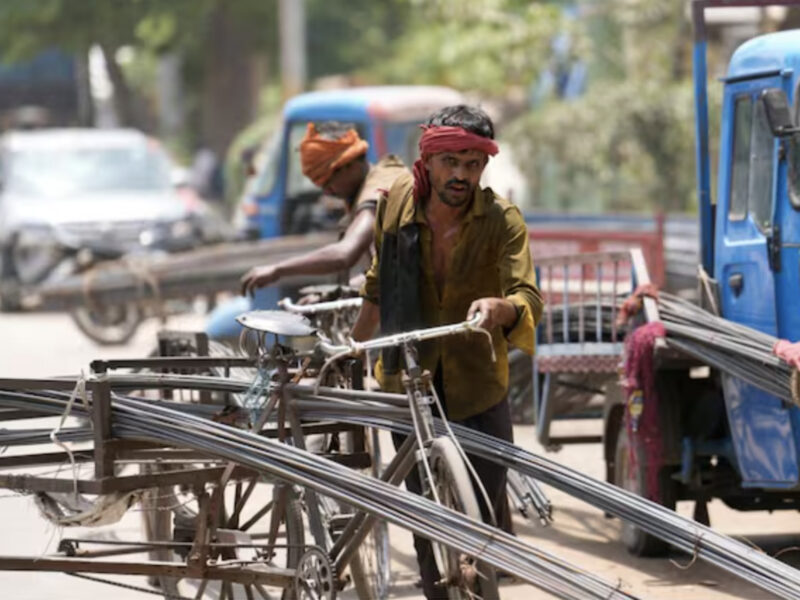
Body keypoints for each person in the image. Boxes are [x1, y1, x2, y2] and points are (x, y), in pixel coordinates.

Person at [350, 104, 544, 599]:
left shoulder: (502, 220)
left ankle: (478, 570)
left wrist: (502, 307)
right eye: (451, 162)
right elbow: (378, 280)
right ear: (429, 159)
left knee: (483, 518)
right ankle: (435, 581)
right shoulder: (394, 200)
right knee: (423, 519)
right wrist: (353, 346)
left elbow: (528, 296)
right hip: (406, 376)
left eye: (473, 165)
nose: (462, 175)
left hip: (477, 381)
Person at [240, 122, 407, 296]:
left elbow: (344, 253)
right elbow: (383, 274)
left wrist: (277, 270)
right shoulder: (381, 177)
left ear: (349, 164)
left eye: (328, 182)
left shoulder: (376, 192)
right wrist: (330, 295)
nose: (328, 192)